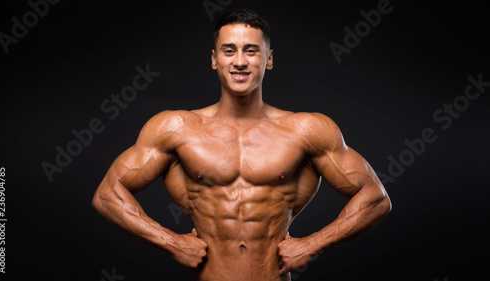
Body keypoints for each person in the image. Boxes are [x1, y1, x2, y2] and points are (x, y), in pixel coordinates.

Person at [92, 8, 391, 281]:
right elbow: (107, 195)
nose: (239, 61)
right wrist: (170, 242)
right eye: (229, 50)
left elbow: (375, 198)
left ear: (269, 59)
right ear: (214, 59)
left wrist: (312, 245)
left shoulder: (307, 130)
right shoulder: (176, 128)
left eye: (251, 51)